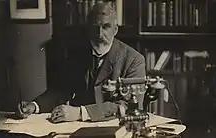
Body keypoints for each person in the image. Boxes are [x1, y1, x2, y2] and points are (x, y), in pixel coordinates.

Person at [16, 2, 146, 123]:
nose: (100, 35)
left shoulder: (134, 60)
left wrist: (80, 112)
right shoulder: (78, 55)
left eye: (106, 27)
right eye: (95, 27)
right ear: (88, 29)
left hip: (115, 127)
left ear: (115, 30)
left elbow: (127, 105)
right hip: (79, 128)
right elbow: (60, 89)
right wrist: (34, 106)